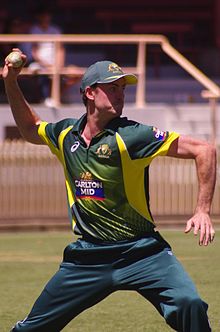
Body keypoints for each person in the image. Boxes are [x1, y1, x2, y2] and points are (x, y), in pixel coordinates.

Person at [3, 49, 216, 332]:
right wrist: (11, 82)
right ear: (90, 93)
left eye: (122, 88)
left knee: (189, 303)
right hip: (88, 257)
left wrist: (202, 209)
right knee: (30, 329)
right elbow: (30, 129)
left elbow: (205, 149)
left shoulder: (133, 135)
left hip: (143, 252)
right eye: (112, 87)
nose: (120, 94)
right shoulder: (66, 135)